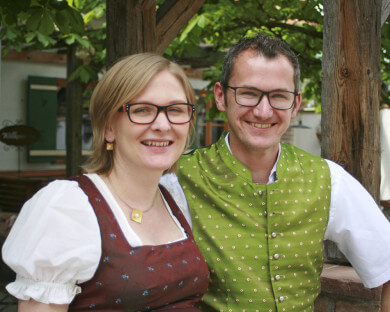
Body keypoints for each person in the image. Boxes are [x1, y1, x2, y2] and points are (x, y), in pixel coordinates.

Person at [161, 33, 390, 311]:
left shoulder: (328, 179)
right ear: (221, 97)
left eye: (279, 96)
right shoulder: (176, 179)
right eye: (248, 93)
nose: (263, 110)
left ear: (295, 105)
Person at [2, 53, 210, 311]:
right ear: (109, 126)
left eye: (176, 110)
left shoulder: (174, 199)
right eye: (142, 110)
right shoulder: (67, 208)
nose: (162, 124)